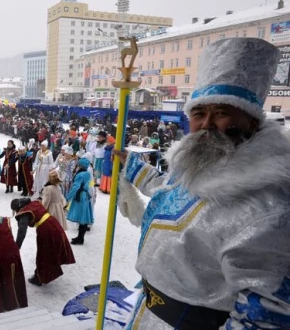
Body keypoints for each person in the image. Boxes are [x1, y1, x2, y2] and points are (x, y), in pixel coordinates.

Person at [115, 38, 290, 329]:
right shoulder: (205, 165)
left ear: (251, 121)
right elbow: (169, 191)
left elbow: (267, 317)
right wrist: (132, 167)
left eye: (221, 112)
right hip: (147, 315)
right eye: (199, 113)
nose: (207, 123)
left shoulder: (267, 209)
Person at [10, 198, 74, 286]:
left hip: (46, 230)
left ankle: (39, 277)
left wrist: (16, 247)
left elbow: (22, 231)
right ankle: (46, 272)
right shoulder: (33, 203)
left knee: (43, 254)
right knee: (50, 251)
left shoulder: (24, 212)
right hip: (53, 223)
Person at [66, 158, 94, 245]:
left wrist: (68, 198)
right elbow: (90, 185)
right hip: (85, 196)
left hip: (80, 197)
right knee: (83, 218)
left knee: (82, 218)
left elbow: (75, 187)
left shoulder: (80, 175)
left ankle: (80, 238)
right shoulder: (88, 174)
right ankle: (80, 237)